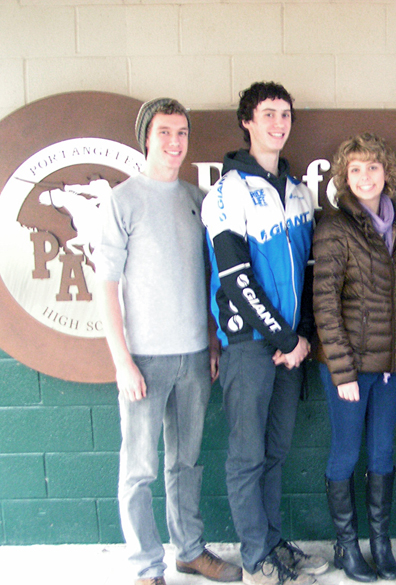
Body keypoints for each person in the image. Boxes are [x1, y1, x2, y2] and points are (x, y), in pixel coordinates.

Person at [97, 98, 241, 585]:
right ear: (146, 138)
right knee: (138, 470)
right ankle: (145, 567)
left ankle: (190, 551)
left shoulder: (196, 200)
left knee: (186, 462)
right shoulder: (122, 201)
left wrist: (213, 342)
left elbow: (205, 277)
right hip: (143, 360)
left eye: (181, 132)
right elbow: (106, 288)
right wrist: (122, 361)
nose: (174, 142)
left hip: (196, 356)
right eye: (164, 132)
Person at [201, 82, 327, 585]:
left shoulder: (299, 191)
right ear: (247, 122)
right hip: (250, 345)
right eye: (268, 113)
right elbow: (235, 277)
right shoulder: (228, 191)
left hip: (290, 347)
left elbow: (312, 271)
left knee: (275, 452)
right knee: (248, 455)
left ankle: (272, 541)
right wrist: (283, 339)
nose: (279, 123)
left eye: (285, 114)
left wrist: (303, 338)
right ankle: (256, 557)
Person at [313, 132, 396, 583]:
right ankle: (347, 545)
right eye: (355, 169)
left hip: (390, 368)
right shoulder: (335, 228)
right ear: (343, 177)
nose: (365, 176)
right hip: (350, 369)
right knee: (346, 452)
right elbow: (324, 305)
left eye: (373, 167)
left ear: (386, 173)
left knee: (382, 452)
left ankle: (380, 542)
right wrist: (342, 371)